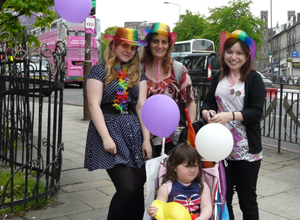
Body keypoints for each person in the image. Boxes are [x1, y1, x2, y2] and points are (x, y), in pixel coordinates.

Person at [84, 27, 152, 220]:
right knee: (127, 188)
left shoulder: (138, 73)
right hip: (109, 128)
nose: (128, 50)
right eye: (124, 45)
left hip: (133, 130)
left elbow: (141, 106)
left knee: (138, 185)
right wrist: (106, 137)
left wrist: (146, 140)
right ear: (114, 45)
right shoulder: (99, 70)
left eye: (133, 47)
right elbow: (93, 105)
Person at [200, 30, 265, 220]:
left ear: (247, 56)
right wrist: (206, 113)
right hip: (220, 149)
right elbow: (207, 102)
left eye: (239, 53)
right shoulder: (219, 76)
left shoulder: (254, 79)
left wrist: (230, 116)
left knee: (247, 200)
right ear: (223, 53)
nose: (233, 57)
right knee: (223, 198)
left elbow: (256, 112)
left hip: (247, 150)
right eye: (229, 52)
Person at [141, 23, 196, 157]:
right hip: (143, 137)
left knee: (170, 176)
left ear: (169, 45)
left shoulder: (178, 69)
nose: (160, 46)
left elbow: (190, 101)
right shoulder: (138, 68)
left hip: (173, 139)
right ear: (149, 44)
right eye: (155, 41)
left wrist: (190, 130)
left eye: (164, 42)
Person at [147, 143, 212, 219]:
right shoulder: (167, 187)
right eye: (187, 166)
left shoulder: (202, 186)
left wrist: (202, 218)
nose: (192, 170)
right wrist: (153, 211)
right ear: (174, 167)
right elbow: (160, 207)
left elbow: (206, 206)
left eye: (195, 166)